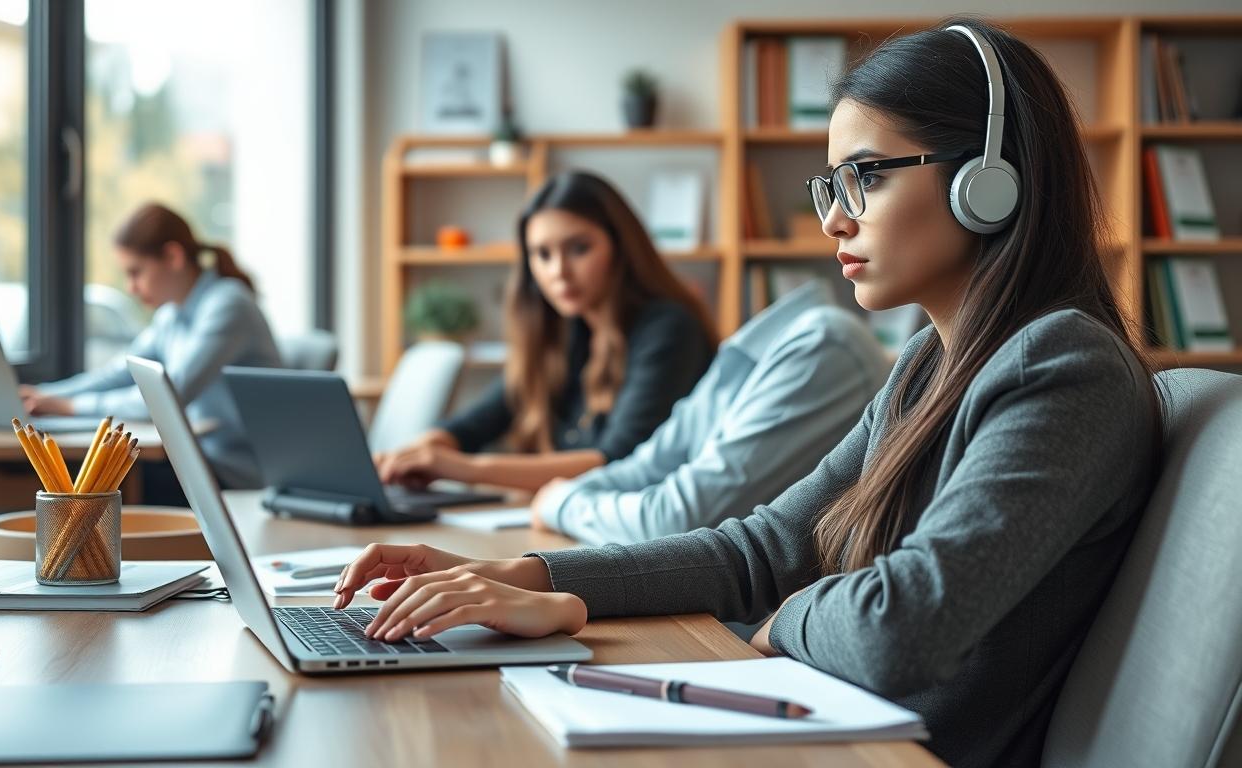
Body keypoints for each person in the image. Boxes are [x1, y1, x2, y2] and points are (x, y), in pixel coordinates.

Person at [331, 19, 1165, 768]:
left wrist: (786, 616)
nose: (835, 219)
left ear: (988, 180)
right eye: (831, 186)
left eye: (865, 177)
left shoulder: (1064, 368)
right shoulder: (927, 365)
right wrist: (532, 575)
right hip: (834, 723)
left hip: (888, 751)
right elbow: (761, 547)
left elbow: (900, 626)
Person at [375, 171, 716, 493]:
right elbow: (474, 425)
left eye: (579, 248)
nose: (559, 272)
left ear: (621, 248)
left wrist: (468, 469)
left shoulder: (670, 329)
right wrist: (414, 453)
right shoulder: (567, 331)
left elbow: (619, 462)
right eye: (542, 254)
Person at [530, 280, 891, 545]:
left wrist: (562, 503)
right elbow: (648, 465)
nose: (834, 224)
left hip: (744, 619)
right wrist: (567, 495)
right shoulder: (745, 352)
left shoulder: (824, 345)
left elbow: (680, 521)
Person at [21, 202, 282, 491]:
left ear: (173, 256)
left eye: (136, 272)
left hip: (232, 473)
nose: (131, 288)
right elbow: (120, 372)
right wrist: (44, 395)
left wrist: (68, 407)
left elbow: (166, 399)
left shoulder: (228, 305)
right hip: (195, 460)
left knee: (100, 488)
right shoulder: (171, 315)